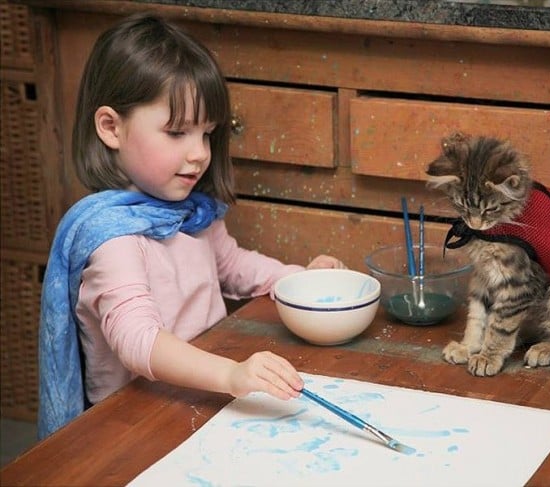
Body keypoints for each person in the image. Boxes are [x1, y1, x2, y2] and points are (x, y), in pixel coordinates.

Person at [38, 13, 345, 440]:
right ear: (111, 127)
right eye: (177, 132)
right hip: (134, 426)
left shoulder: (189, 214)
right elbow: (137, 340)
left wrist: (296, 281)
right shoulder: (114, 240)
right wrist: (234, 374)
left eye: (207, 134)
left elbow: (233, 265)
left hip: (199, 403)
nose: (200, 153)